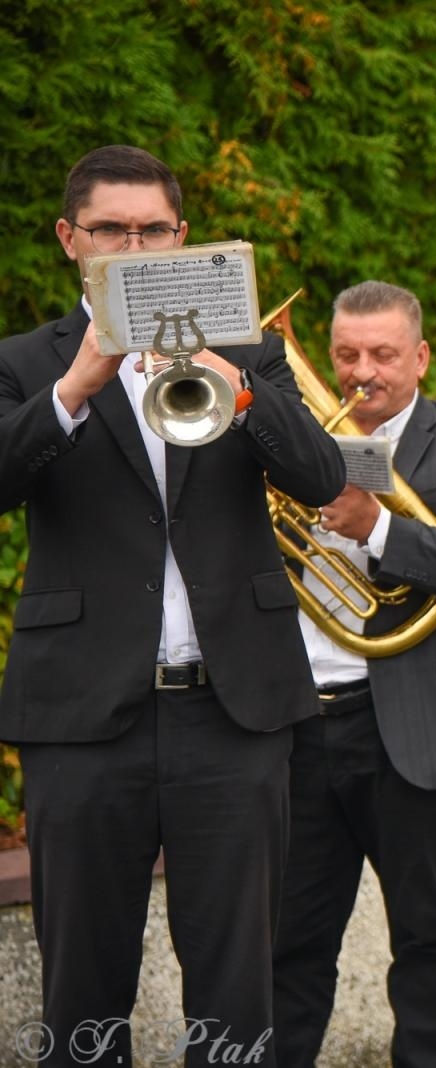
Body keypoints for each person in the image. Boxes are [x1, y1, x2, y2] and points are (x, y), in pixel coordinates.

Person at [0, 144, 347, 1065]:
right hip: (82, 716)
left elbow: (320, 477)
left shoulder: (251, 350)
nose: (134, 243)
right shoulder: (24, 361)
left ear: (183, 239)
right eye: (111, 228)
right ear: (71, 239)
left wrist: (237, 387)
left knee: (239, 982)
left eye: (154, 228)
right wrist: (78, 384)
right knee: (83, 978)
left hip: (233, 714)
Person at [271, 281, 436, 1067]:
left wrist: (379, 524)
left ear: (420, 357)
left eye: (382, 354)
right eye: (345, 354)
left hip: (416, 733)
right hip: (301, 725)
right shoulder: (290, 438)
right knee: (287, 946)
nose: (360, 373)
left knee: (429, 941)